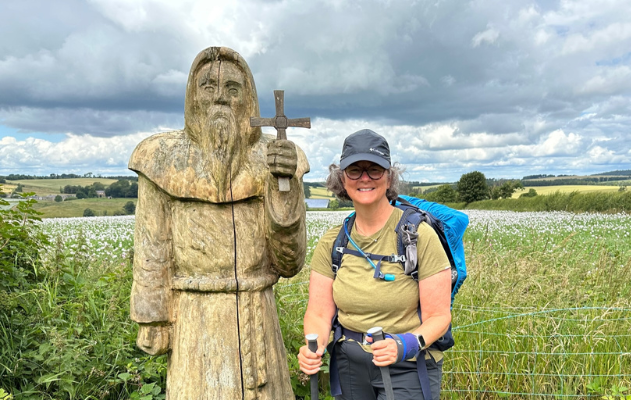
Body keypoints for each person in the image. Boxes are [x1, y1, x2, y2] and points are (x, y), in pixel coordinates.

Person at [128, 47, 308, 400]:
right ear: (193, 96)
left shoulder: (274, 159)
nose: (220, 98)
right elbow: (152, 244)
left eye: (233, 89)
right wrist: (152, 317)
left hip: (257, 315)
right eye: (208, 87)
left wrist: (283, 190)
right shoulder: (162, 159)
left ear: (249, 100)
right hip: (194, 318)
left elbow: (289, 263)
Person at [297, 129, 452, 400]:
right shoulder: (333, 242)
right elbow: (319, 314)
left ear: (389, 176)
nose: (365, 178)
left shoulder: (417, 236)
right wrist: (315, 345)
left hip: (408, 367)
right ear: (341, 178)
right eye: (355, 170)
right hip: (349, 367)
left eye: (375, 169)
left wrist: (403, 346)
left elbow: (439, 317)